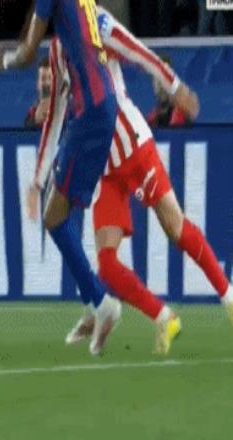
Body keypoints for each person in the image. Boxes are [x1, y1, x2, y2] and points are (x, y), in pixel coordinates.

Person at [29, 7, 232, 355]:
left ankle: (228, 297)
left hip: (134, 148)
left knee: (175, 227)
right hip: (103, 166)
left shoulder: (97, 22)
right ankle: (164, 317)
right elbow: (56, 117)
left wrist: (176, 87)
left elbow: (139, 52)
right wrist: (39, 178)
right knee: (107, 265)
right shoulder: (58, 49)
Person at [0, 0, 122, 356]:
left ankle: (101, 302)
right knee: (69, 209)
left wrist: (3, 61)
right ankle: (92, 307)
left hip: (90, 111)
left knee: (53, 217)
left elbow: (26, 52)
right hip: (104, 105)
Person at [147, 55, 190, 128]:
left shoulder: (183, 116)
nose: (162, 82)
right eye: (157, 76)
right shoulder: (151, 120)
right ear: (153, 82)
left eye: (166, 76)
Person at [24, 56, 53, 129]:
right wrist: (36, 120)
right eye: (43, 78)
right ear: (38, 84)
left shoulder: (68, 112)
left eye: (50, 78)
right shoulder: (31, 114)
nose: (47, 83)